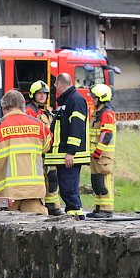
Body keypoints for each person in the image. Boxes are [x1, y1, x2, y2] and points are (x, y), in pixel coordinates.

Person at [0, 89, 52, 214]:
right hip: (34, 192)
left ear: (4, 108)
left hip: (6, 195)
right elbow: (47, 146)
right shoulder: (40, 126)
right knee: (35, 229)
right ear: (23, 107)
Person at [44, 73, 90, 218]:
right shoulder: (67, 101)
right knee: (66, 188)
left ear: (60, 83)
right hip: (63, 154)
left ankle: (76, 217)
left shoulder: (75, 100)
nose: (55, 87)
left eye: (56, 84)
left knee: (69, 189)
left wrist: (71, 152)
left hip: (69, 155)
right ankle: (73, 216)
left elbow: (76, 128)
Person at [25, 80, 64, 216]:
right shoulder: (28, 111)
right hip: (37, 152)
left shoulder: (48, 111)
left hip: (50, 151)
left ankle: (53, 206)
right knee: (40, 180)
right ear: (33, 94)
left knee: (52, 179)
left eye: (45, 94)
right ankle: (41, 206)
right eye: (39, 94)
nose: (42, 96)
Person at [87, 83, 117, 218]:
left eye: (94, 97)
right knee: (96, 181)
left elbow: (106, 134)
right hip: (95, 155)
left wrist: (99, 151)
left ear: (101, 98)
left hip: (103, 155)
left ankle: (107, 209)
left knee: (104, 181)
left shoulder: (107, 113)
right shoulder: (97, 113)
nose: (92, 99)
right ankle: (98, 208)